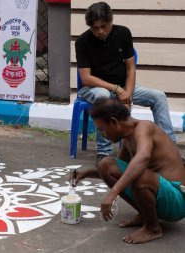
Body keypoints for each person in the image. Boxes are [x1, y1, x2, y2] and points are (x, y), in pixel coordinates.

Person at [70, 98, 185, 244]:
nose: (103, 135)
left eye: (102, 129)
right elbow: (116, 170)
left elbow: (142, 158)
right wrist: (86, 173)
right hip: (161, 194)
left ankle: (153, 228)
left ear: (113, 122)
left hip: (177, 201)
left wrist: (112, 194)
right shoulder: (127, 138)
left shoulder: (144, 128)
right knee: (106, 165)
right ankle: (145, 216)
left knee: (138, 171)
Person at [75, 2, 176, 164]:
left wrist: (127, 94)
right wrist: (117, 90)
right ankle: (104, 153)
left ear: (111, 21)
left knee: (159, 96)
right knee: (105, 97)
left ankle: (170, 147)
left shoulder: (123, 33)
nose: (100, 31)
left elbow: (131, 68)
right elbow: (86, 78)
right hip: (93, 89)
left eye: (104, 26)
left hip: (124, 86)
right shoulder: (82, 42)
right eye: (95, 28)